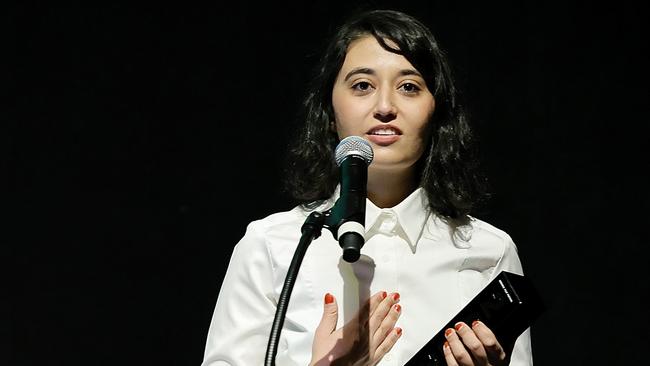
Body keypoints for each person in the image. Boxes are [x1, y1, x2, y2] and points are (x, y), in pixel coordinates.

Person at [201, 8, 533, 366]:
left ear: (437, 111)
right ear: (329, 111)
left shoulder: (490, 250)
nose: (385, 106)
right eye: (362, 86)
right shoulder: (272, 246)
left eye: (409, 87)